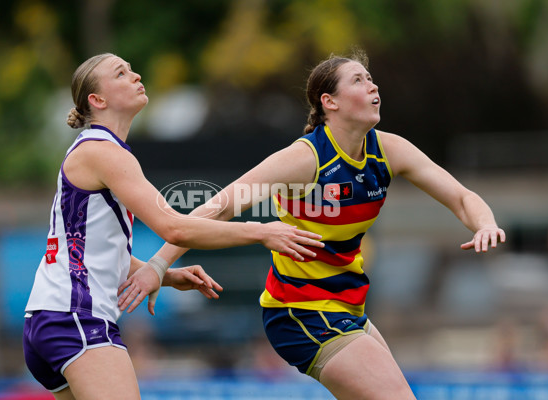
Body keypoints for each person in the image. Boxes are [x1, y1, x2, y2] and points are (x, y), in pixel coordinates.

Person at [119, 49, 506, 400]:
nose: (373, 86)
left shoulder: (389, 150)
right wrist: (157, 265)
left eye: (371, 80)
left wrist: (483, 223)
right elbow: (219, 207)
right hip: (300, 311)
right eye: (359, 80)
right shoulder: (306, 158)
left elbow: (461, 197)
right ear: (330, 102)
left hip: (348, 308)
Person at [22, 53, 324, 400]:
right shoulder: (104, 152)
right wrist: (262, 231)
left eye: (132, 69)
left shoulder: (93, 151)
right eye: (121, 73)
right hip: (76, 319)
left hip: (48, 320)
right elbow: (175, 228)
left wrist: (163, 274)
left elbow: (85, 250)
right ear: (97, 100)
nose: (135, 75)